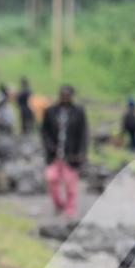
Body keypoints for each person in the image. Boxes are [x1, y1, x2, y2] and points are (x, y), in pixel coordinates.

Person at [41, 85, 88, 218]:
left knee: (70, 183)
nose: (65, 97)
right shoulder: (50, 111)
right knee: (51, 178)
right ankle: (59, 204)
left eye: (68, 95)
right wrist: (49, 146)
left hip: (71, 155)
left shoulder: (78, 112)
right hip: (54, 155)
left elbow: (83, 134)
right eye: (63, 95)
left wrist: (81, 153)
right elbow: (44, 132)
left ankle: (70, 208)